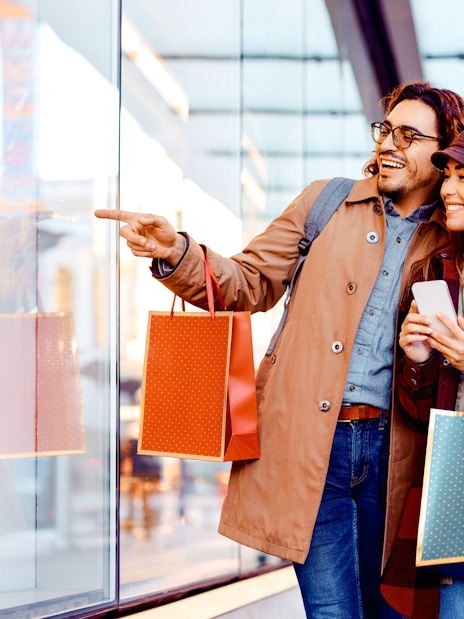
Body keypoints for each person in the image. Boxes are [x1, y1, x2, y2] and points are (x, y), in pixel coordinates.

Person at [95, 81, 464, 619]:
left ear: (443, 152)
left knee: (394, 612)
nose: (388, 144)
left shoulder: (451, 235)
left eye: (409, 136)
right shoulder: (326, 202)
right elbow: (247, 282)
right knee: (333, 610)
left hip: (399, 458)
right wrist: (176, 251)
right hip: (312, 447)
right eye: (386, 130)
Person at [383, 131, 464, 619]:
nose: (449, 189)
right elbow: (419, 412)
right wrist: (416, 359)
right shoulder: (438, 271)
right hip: (454, 485)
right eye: (449, 177)